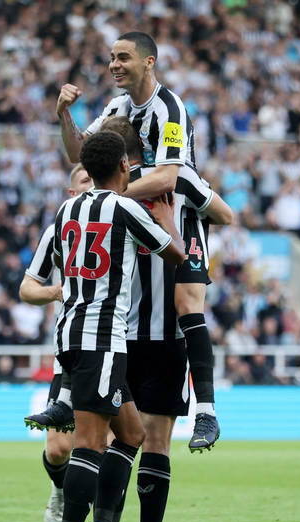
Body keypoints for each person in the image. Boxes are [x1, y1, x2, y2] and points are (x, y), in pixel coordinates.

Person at [57, 31, 225, 452]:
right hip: (136, 215)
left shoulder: (170, 109)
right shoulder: (115, 107)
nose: (114, 64)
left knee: (186, 303)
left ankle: (205, 409)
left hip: (178, 211)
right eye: (112, 57)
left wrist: (109, 198)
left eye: (124, 57)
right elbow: (81, 156)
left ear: (149, 63)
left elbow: (169, 176)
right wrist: (64, 116)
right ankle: (64, 398)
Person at [48, 132, 185, 522]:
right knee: (90, 443)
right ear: (125, 167)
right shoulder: (125, 208)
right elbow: (176, 255)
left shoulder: (66, 209)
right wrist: (167, 217)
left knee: (131, 433)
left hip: (72, 333)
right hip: (102, 336)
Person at [99, 115, 226, 522]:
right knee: (155, 443)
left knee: (114, 442)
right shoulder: (181, 178)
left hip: (121, 334)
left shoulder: (107, 193)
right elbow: (227, 214)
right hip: (170, 336)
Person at [19, 163, 133, 522]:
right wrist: (57, 292)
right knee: (58, 450)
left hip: (111, 346)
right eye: (83, 182)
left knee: (116, 439)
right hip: (69, 356)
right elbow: (27, 288)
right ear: (72, 194)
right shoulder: (59, 229)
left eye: (93, 179)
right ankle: (60, 491)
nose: (92, 187)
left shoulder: (119, 219)